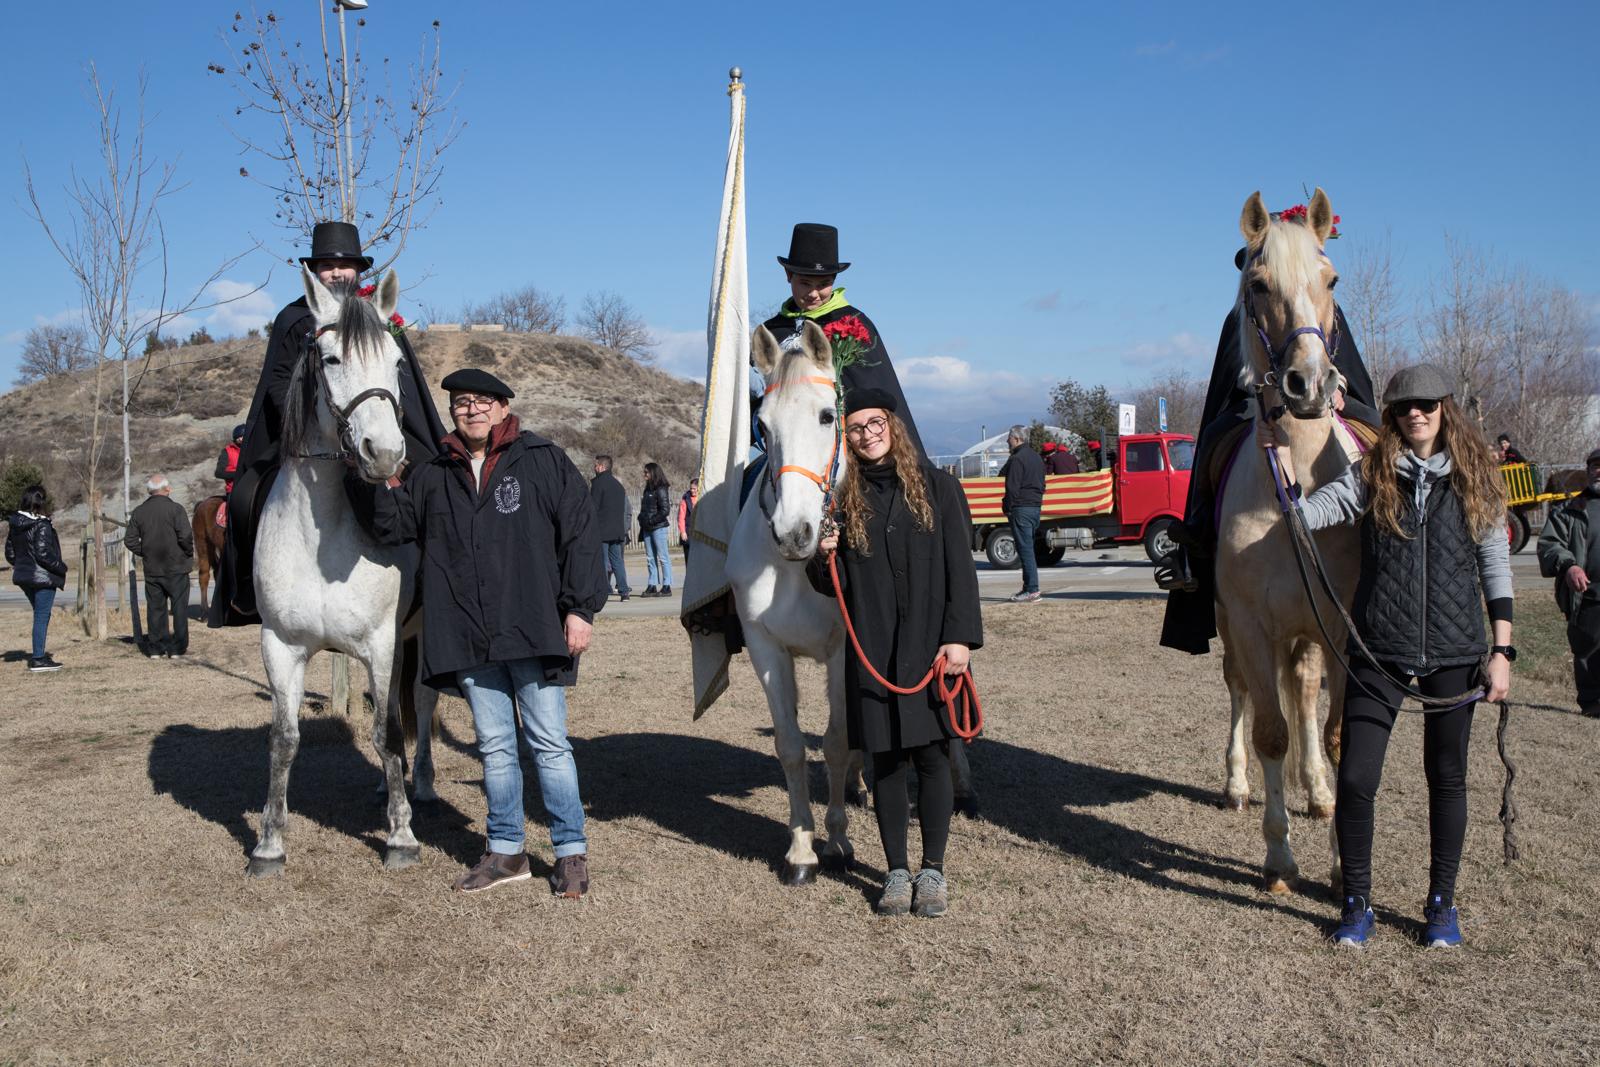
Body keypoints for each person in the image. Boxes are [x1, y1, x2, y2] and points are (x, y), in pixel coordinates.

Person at [1267, 363, 1514, 949]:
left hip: (1456, 652)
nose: (1416, 413)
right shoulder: (1372, 473)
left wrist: (1501, 649)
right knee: (1355, 778)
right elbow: (1316, 513)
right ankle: (1357, 905)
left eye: (1426, 403)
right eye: (1404, 407)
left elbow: (1495, 568)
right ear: (1394, 417)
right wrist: (1287, 484)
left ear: (1444, 408)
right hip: (1379, 650)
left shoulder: (1477, 478)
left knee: (1446, 778)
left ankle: (1441, 907)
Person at [361, 367, 606, 896]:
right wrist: (384, 480)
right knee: (496, 747)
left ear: (502, 407)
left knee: (549, 744)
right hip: (469, 635)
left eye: (481, 401)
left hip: (535, 626)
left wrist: (580, 610)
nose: (470, 410)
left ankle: (569, 853)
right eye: (461, 403)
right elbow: (394, 528)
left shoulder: (541, 459)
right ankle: (507, 851)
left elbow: (582, 536)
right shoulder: (433, 472)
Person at [210, 221, 446, 627]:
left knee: (433, 485)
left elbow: (399, 377)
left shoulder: (379, 314)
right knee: (245, 494)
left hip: (376, 423)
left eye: (346, 265)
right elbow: (277, 380)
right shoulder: (294, 318)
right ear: (315, 270)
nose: (337, 273)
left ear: (359, 270)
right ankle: (249, 587)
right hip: (307, 436)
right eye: (327, 265)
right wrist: (301, 423)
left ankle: (437, 584)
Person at [810, 386, 982, 917]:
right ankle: (897, 873)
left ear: (894, 425)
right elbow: (828, 584)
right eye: (856, 428)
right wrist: (823, 555)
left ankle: (932, 869)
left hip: (929, 646)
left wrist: (960, 639)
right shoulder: (843, 499)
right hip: (872, 650)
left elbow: (962, 571)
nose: (866, 436)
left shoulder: (939, 488)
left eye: (875, 424)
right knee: (884, 762)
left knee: (931, 758)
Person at [1158, 244, 1379, 652]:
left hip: (1325, 388)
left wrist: (1342, 382)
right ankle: (1198, 540)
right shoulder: (1241, 310)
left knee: (1379, 429)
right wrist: (1261, 388)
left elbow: (1341, 353)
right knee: (1213, 437)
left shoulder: (1324, 300)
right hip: (1258, 396)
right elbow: (1233, 369)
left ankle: (1391, 527)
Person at [760, 223, 926, 457]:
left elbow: (876, 390)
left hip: (853, 445)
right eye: (805, 283)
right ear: (789, 275)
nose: (813, 293)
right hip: (788, 449)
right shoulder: (773, 330)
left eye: (823, 284)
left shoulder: (852, 323)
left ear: (834, 279)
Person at [1537, 445, 1600, 717]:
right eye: (1595, 465)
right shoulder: (1569, 510)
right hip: (1586, 596)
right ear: (1587, 471)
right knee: (1586, 650)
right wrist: (1569, 565)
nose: (1599, 470)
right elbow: (1549, 545)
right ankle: (1591, 706)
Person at [124, 474, 195, 659]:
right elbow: (186, 536)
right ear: (167, 489)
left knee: (155, 609)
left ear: (149, 491)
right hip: (176, 566)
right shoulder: (176, 509)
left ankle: (156, 648)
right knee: (179, 608)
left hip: (152, 568)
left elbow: (129, 540)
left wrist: (145, 551)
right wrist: (187, 552)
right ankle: (177, 648)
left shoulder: (139, 511)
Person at [6, 485, 67, 673]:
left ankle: (39, 655)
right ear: (41, 502)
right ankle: (38, 659)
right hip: (42, 577)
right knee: (41, 616)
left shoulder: (15, 523)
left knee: (40, 615)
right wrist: (61, 567)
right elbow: (43, 553)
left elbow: (10, 553)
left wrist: (23, 565)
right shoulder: (42, 524)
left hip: (24, 577)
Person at [1000, 425, 1045, 603]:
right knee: (1028, 547)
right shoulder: (1036, 457)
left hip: (1021, 507)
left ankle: (1032, 589)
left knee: (1025, 550)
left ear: (1017, 439)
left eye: (1009, 438)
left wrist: (1007, 507)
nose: (1007, 441)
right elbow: (1043, 484)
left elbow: (1012, 487)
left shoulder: (1017, 459)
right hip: (1035, 506)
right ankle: (1028, 588)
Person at [589, 455, 631, 602]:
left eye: (596, 465)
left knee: (601, 560)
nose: (594, 468)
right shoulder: (618, 485)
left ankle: (604, 589)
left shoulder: (598, 484)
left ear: (601, 467)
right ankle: (624, 591)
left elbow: (592, 507)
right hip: (617, 530)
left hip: (602, 530)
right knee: (617, 561)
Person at [638, 461, 673, 597]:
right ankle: (652, 584)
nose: (644, 474)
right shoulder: (647, 489)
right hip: (647, 528)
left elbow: (665, 510)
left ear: (653, 473)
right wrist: (641, 518)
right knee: (650, 558)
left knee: (663, 557)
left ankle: (666, 585)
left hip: (658, 528)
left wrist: (652, 520)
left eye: (646, 472)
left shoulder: (661, 489)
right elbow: (644, 508)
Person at [215, 424, 246, 496]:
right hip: (234, 489)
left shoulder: (253, 450)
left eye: (244, 436)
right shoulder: (227, 452)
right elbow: (218, 473)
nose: (241, 439)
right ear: (235, 438)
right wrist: (238, 474)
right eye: (239, 437)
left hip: (254, 486)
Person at [677, 477, 699, 559]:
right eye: (691, 488)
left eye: (694, 489)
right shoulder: (685, 500)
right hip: (688, 532)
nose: (692, 490)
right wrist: (683, 532)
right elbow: (681, 517)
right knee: (689, 558)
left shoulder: (704, 498)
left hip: (700, 533)